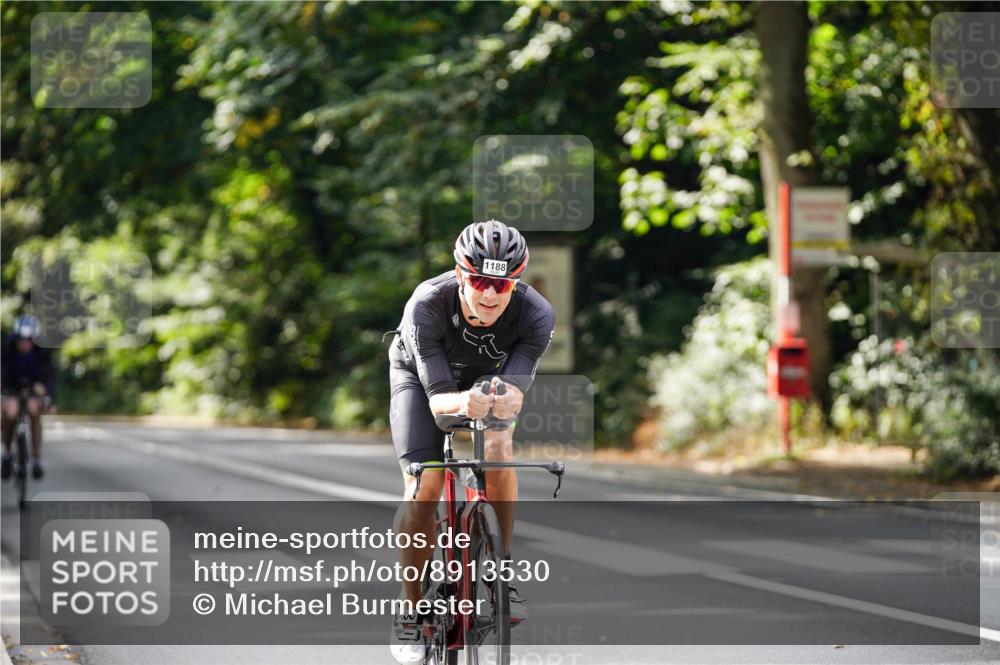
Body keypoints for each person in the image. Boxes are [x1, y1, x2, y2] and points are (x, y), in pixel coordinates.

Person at [387, 219, 555, 663]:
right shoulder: (427, 304)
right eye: (479, 280)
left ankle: (501, 567)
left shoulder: (536, 314)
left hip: (486, 380)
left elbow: (514, 394)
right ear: (460, 273)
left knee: (499, 450)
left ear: (515, 282)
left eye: (501, 284)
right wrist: (465, 402)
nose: (489, 294)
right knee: (423, 485)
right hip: (423, 380)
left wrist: (497, 403)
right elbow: (440, 403)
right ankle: (410, 610)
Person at [1, 314, 56, 480]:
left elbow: (50, 376)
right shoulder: (7, 348)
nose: (25, 343)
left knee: (34, 411)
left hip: (33, 388)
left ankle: (36, 458)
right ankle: (8, 453)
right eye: (22, 340)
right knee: (10, 413)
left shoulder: (42, 351)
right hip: (11, 387)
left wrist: (49, 396)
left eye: (29, 340)